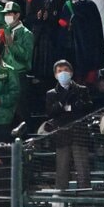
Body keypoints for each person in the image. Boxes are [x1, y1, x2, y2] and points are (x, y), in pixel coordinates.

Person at [42, 59, 91, 194]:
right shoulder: (51, 93)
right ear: (55, 75)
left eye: (65, 70)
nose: (63, 73)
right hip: (61, 135)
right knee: (62, 169)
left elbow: (86, 107)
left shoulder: (82, 90)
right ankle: (60, 201)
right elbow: (50, 112)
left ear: (71, 72)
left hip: (79, 133)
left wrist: (67, 107)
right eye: (59, 71)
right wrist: (63, 105)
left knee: (82, 169)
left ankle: (85, 200)